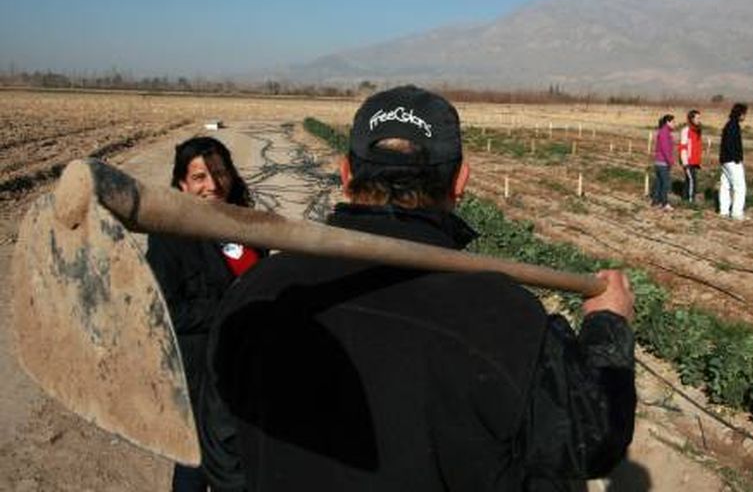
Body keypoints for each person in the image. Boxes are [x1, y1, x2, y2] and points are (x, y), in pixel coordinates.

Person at [198, 85, 637, 491]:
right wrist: (608, 324)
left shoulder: (256, 293)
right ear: (461, 181)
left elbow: (224, 461)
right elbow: (591, 440)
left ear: (346, 173)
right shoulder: (506, 316)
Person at [146, 136, 265, 492]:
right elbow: (164, 310)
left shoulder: (250, 226)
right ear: (182, 183)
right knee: (195, 462)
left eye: (219, 173)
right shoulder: (169, 236)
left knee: (243, 458)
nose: (212, 185)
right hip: (200, 373)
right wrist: (232, 307)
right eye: (199, 177)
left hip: (247, 365)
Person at [718, 103, 748, 220]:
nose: (745, 117)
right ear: (740, 114)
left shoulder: (729, 125)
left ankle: (724, 211)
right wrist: (737, 159)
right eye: (744, 114)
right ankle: (736, 213)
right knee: (740, 187)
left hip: (725, 160)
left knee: (725, 185)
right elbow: (731, 145)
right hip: (731, 160)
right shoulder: (733, 126)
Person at [677, 109, 703, 203]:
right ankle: (691, 201)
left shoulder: (697, 131)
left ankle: (685, 199)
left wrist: (698, 161)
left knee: (689, 180)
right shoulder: (686, 130)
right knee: (692, 181)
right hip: (687, 161)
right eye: (697, 118)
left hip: (694, 161)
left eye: (699, 118)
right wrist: (685, 162)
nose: (699, 120)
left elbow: (697, 147)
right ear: (691, 119)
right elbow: (683, 147)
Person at [651, 113, 675, 209]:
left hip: (658, 162)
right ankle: (664, 203)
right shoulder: (664, 133)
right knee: (665, 183)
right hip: (663, 163)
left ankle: (656, 202)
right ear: (667, 122)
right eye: (673, 121)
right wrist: (670, 161)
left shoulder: (663, 132)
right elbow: (665, 149)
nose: (674, 124)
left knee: (659, 183)